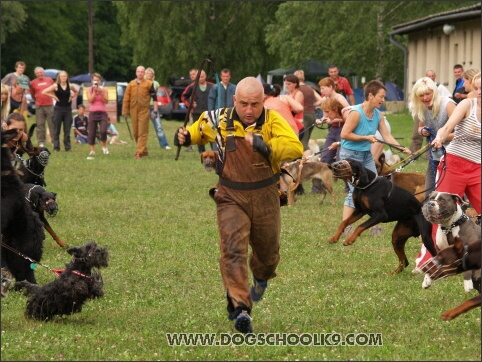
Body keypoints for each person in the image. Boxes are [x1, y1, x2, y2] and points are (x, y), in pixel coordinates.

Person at [175, 77, 303, 333]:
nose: (248, 110)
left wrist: (265, 146)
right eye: (243, 103)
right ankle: (240, 307)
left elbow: (294, 148)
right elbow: (197, 132)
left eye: (254, 104)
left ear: (263, 101)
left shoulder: (272, 120)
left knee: (268, 255)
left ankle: (260, 276)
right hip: (231, 195)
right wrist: (184, 137)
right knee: (232, 250)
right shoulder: (218, 119)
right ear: (235, 100)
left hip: (266, 195)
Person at [339, 80, 411, 232]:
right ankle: (346, 226)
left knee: (375, 187)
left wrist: (400, 147)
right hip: (350, 156)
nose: (383, 100)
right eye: (381, 96)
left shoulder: (378, 115)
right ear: (370, 95)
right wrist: (365, 138)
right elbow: (344, 134)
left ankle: (374, 225)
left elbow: (386, 135)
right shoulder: (356, 113)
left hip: (366, 155)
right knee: (355, 191)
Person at [432, 72, 481, 215]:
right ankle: (437, 238)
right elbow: (447, 127)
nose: (479, 92)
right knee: (444, 210)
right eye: (476, 88)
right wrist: (440, 137)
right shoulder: (467, 105)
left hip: (478, 167)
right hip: (454, 163)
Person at [409, 77, 456, 198]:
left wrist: (442, 138)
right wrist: (423, 130)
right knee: (428, 197)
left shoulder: (448, 105)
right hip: (434, 157)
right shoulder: (422, 107)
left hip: (453, 157)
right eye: (421, 95)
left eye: (427, 94)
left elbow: (461, 133)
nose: (425, 98)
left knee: (449, 196)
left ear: (434, 92)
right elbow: (420, 128)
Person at [122, 65, 158, 159]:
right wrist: (125, 111)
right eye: (138, 71)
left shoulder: (149, 84)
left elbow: (154, 98)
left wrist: (155, 110)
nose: (140, 73)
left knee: (142, 131)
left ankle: (139, 152)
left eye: (142, 72)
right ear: (136, 73)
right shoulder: (131, 84)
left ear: (144, 73)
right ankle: (144, 150)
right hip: (133, 110)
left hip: (144, 110)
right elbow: (126, 99)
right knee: (136, 132)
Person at [41, 70, 79, 152]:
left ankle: (68, 148)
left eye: (65, 76)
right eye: (62, 76)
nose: (63, 78)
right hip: (58, 109)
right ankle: (56, 147)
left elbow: (76, 91)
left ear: (67, 77)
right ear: (59, 77)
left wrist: (72, 97)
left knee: (67, 130)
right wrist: (53, 96)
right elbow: (44, 92)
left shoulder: (70, 85)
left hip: (68, 109)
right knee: (56, 129)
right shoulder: (55, 86)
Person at [181, 69, 214, 153]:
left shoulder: (212, 86)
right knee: (199, 132)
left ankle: (214, 150)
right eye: (199, 76)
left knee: (210, 131)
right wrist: (190, 104)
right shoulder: (192, 86)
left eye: (202, 76)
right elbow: (183, 96)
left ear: (205, 76)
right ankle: (201, 152)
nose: (201, 78)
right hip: (196, 112)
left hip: (209, 113)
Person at [294, 70, 323, 157]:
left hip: (303, 116)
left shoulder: (297, 89)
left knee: (303, 143)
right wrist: (312, 105)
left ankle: (307, 164)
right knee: (306, 140)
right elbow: (320, 100)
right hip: (312, 115)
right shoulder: (310, 88)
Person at [144, 67, 171, 150]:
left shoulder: (155, 83)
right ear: (145, 74)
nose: (150, 75)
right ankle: (142, 145)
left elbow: (155, 94)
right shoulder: (142, 82)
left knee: (159, 126)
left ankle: (164, 144)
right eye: (148, 73)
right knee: (143, 128)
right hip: (144, 107)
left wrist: (155, 110)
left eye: (151, 74)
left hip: (153, 107)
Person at [29, 67, 55, 147]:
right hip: (39, 106)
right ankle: (41, 142)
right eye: (38, 73)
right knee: (40, 124)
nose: (39, 74)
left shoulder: (49, 80)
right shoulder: (32, 83)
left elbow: (54, 89)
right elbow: (32, 94)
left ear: (43, 72)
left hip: (50, 105)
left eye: (41, 72)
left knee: (52, 124)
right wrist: (37, 100)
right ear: (35, 74)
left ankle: (54, 141)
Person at [315, 98, 346, 164]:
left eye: (327, 112)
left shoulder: (345, 111)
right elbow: (326, 117)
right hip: (333, 131)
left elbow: (347, 117)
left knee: (340, 159)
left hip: (343, 130)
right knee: (325, 158)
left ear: (336, 109)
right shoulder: (327, 102)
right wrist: (321, 120)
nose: (326, 115)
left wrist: (334, 120)